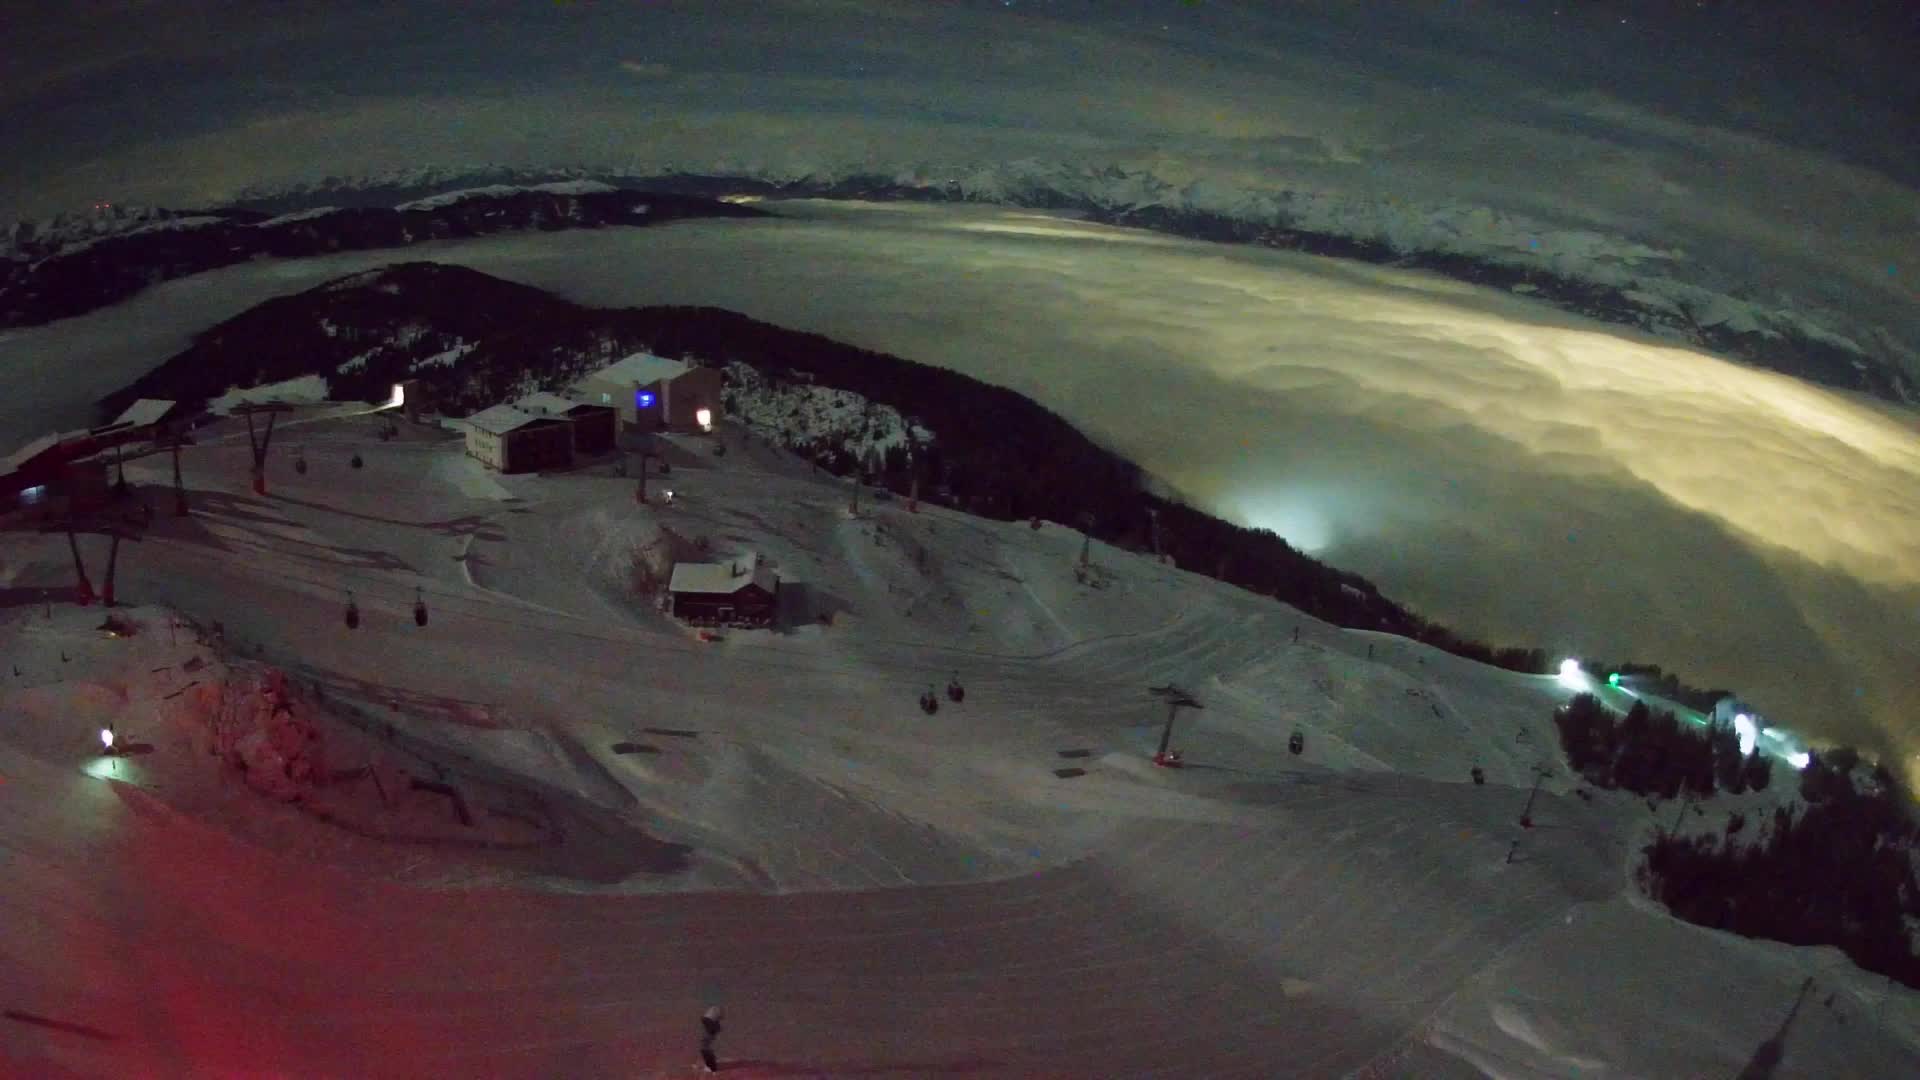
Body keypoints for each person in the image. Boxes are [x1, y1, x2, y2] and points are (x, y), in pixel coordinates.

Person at [699, 1004, 723, 1072]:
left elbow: (711, 1027)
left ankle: (711, 1066)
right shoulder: (711, 1023)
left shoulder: (711, 1025)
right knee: (705, 1047)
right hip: (712, 1028)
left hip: (712, 1029)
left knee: (705, 1047)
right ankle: (711, 1066)